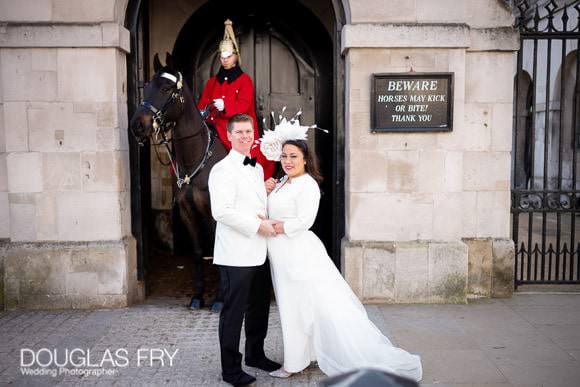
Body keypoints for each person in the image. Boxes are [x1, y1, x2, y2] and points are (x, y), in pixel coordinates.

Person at [264, 139, 423, 382]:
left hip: (298, 253)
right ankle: (306, 353)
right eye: (284, 156)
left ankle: (293, 363)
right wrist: (267, 191)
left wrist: (277, 227)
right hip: (283, 254)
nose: (287, 161)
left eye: (294, 156)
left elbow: (304, 221)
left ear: (306, 159)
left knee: (301, 307)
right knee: (299, 307)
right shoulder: (283, 181)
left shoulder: (307, 185)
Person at [208, 114, 281, 386]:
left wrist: (266, 191)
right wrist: (257, 226)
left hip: (260, 251)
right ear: (229, 136)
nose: (245, 136)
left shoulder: (258, 168)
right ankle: (230, 370)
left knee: (259, 307)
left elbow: (249, 203)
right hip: (236, 253)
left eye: (248, 131)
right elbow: (221, 211)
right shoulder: (222, 169)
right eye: (239, 132)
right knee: (233, 312)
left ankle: (255, 354)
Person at [198, 19, 275, 180]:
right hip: (212, 127)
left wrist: (225, 106)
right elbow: (203, 103)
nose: (224, 59)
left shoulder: (244, 80)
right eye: (222, 56)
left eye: (228, 55)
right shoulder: (212, 81)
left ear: (235, 56)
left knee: (249, 159)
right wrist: (202, 111)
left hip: (236, 127)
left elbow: (245, 104)